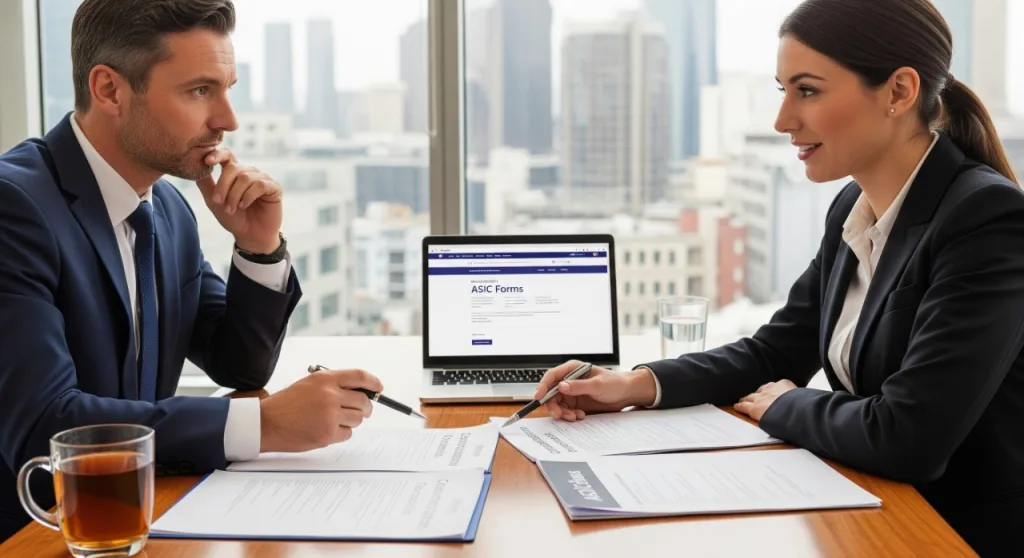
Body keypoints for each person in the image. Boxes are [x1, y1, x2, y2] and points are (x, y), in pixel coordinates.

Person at [535, 0, 1023, 555]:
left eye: (808, 90)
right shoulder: (853, 207)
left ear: (898, 92)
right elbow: (774, 352)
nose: (783, 120)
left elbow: (909, 438)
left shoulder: (985, 219)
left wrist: (785, 405)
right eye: (782, 90)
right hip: (872, 509)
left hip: (953, 534)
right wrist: (634, 385)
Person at [0, 0, 382, 541]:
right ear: (110, 90)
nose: (228, 119)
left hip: (142, 517)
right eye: (200, 91)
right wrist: (265, 425)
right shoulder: (13, 206)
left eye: (227, 87)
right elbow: (44, 427)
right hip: (37, 534)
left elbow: (239, 365)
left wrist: (258, 246)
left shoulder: (167, 206)